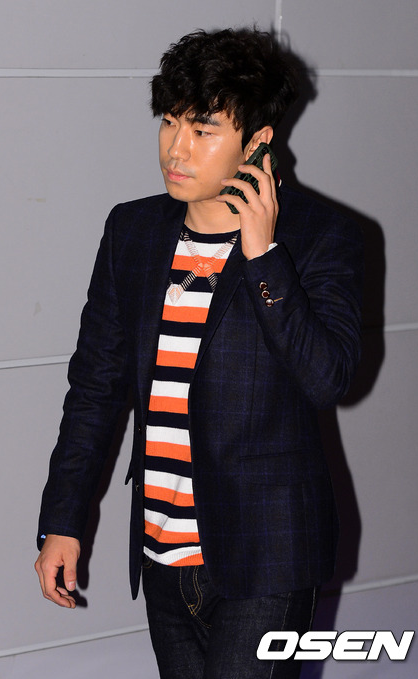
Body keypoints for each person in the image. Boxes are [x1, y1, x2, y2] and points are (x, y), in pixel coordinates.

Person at [35, 28, 363, 679]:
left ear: (258, 141)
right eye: (169, 122)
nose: (176, 149)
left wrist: (264, 257)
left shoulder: (320, 235)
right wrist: (63, 519)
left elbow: (328, 378)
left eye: (203, 129)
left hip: (267, 560)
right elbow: (95, 388)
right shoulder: (131, 231)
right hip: (163, 552)